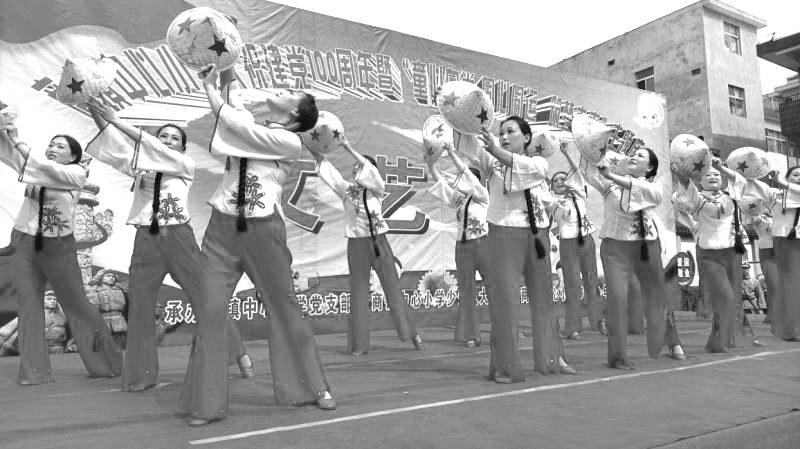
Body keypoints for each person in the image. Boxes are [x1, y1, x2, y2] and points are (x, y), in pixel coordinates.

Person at [193, 63, 334, 426]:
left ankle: (314, 386)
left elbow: (235, 123)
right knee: (210, 309)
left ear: (295, 114)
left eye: (291, 92)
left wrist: (209, 88)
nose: (282, 89)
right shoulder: (256, 127)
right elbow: (235, 105)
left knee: (283, 307)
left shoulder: (289, 142)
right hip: (221, 228)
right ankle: (206, 404)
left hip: (263, 230)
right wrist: (226, 64)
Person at [0, 125, 122, 385]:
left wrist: (17, 140)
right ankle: (34, 372)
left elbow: (42, 167)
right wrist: (4, 130)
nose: (53, 149)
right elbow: (9, 155)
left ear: (73, 156)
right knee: (29, 306)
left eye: (60, 146)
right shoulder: (36, 168)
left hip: (58, 249)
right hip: (26, 245)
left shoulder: (76, 174)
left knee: (78, 305)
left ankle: (106, 363)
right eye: (51, 145)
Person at [456, 117, 575, 382]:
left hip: (538, 235)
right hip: (503, 234)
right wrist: (461, 114)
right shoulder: (491, 161)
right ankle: (505, 365)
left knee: (544, 299)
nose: (504, 136)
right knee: (505, 301)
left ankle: (553, 358)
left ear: (527, 137)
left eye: (511, 131)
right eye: (501, 133)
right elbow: (467, 140)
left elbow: (534, 179)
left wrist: (559, 211)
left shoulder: (538, 163)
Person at [314, 139, 424, 354]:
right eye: (354, 167)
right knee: (358, 294)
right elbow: (328, 170)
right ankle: (359, 344)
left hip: (379, 243)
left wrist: (347, 147)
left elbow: (369, 170)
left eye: (360, 166)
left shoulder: (377, 189)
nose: (355, 168)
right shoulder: (346, 190)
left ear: (371, 172)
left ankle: (411, 333)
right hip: (356, 246)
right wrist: (312, 147)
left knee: (392, 290)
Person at [586, 147, 685, 370]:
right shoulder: (609, 184)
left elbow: (648, 193)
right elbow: (587, 172)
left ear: (649, 167)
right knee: (617, 299)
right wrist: (592, 152)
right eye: (633, 154)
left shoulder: (654, 186)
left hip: (646, 246)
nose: (633, 156)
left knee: (657, 294)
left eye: (640, 155)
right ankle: (618, 355)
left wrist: (612, 175)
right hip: (615, 247)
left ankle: (672, 341)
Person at [672, 159, 750, 352]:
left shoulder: (731, 195)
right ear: (700, 180)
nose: (713, 177)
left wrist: (722, 167)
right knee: (727, 297)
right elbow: (681, 203)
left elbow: (741, 181)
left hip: (731, 251)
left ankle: (720, 340)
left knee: (732, 299)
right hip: (709, 254)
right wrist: (681, 175)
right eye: (708, 175)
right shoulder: (697, 197)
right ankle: (720, 341)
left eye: (717, 174)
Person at [427, 145, 492, 348]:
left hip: (483, 244)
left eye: (464, 179)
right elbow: (441, 185)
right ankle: (470, 334)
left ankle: (504, 329)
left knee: (495, 288)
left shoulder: (483, 196)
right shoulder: (460, 201)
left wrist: (453, 153)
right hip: (462, 248)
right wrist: (431, 165)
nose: (460, 181)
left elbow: (466, 173)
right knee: (466, 291)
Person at [743, 168, 800, 341]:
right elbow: (754, 185)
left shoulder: (794, 189)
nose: (799, 178)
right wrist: (749, 169)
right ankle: (791, 328)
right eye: (796, 175)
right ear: (787, 176)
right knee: (791, 284)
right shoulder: (776, 195)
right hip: (786, 241)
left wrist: (782, 181)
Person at [554, 143, 601, 340]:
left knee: (591, 282)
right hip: (568, 245)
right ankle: (572, 327)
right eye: (555, 181)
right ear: (552, 187)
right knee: (572, 285)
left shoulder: (580, 194)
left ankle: (598, 322)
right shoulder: (552, 201)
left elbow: (576, 171)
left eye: (563, 178)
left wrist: (566, 153)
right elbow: (559, 218)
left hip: (587, 241)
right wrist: (559, 207)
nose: (560, 181)